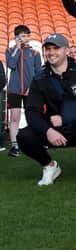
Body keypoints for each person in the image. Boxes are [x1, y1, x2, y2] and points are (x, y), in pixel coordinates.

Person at [17, 34, 76, 186]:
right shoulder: (39, 78)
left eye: (56, 48)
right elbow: (32, 111)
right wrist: (48, 130)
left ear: (66, 50)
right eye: (48, 49)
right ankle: (50, 166)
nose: (51, 52)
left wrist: (66, 117)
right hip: (54, 128)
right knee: (24, 136)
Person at [5, 25, 42, 157]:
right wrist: (17, 48)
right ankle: (15, 146)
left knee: (32, 116)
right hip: (14, 90)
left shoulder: (35, 53)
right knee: (14, 117)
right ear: (17, 37)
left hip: (30, 90)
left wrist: (32, 88)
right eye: (22, 35)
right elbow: (11, 64)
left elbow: (39, 73)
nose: (25, 38)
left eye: (27, 35)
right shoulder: (10, 50)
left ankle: (36, 142)